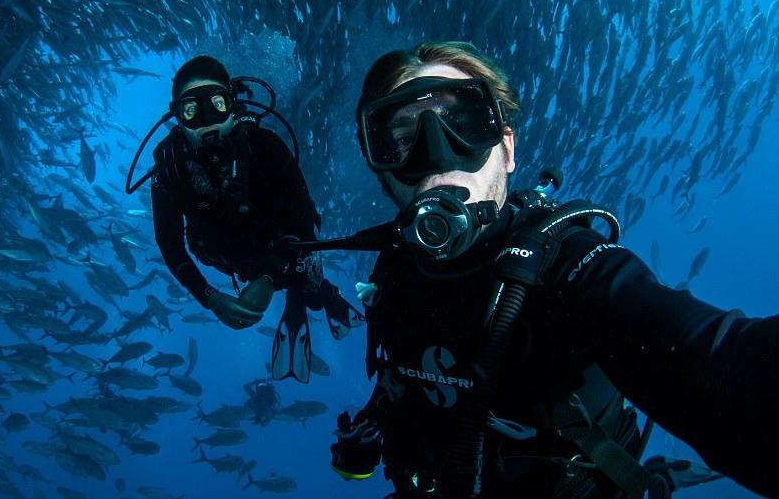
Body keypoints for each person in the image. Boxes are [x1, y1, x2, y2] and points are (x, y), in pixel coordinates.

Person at [327, 42, 779, 498]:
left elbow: (725, 370)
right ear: (380, 170)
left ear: (507, 149)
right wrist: (372, 425)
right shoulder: (395, 274)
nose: (438, 153)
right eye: (403, 140)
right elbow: (410, 377)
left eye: (463, 124)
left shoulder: (570, 267)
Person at [149, 55, 362, 382]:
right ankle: (303, 291)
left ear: (232, 104)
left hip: (284, 247)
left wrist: (268, 278)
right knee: (290, 277)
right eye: (191, 110)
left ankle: (314, 295)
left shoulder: (266, 147)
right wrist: (209, 296)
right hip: (226, 257)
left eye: (216, 104)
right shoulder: (168, 168)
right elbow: (169, 242)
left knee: (305, 278)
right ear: (176, 117)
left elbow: (303, 219)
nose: (206, 120)